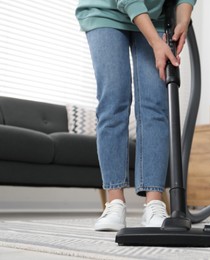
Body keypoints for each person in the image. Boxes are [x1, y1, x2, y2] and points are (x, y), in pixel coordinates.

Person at [75, 0, 196, 231]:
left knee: (155, 105)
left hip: (156, 17)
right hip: (105, 11)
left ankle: (154, 204)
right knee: (114, 101)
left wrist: (183, 18)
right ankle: (115, 203)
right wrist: (155, 43)